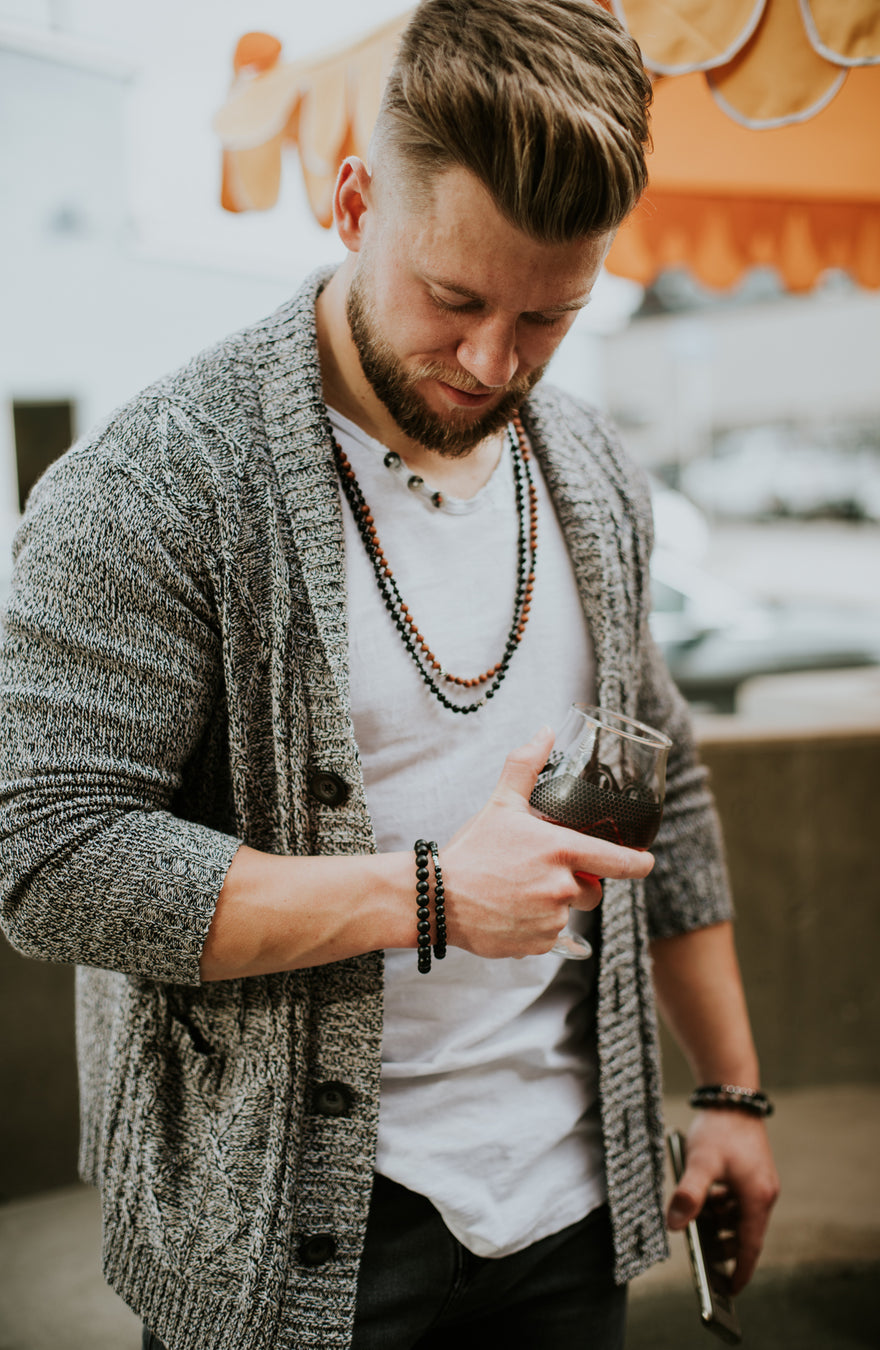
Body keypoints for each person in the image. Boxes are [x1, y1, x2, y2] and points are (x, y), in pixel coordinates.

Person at [0, 2, 779, 1347]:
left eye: (550, 316)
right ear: (355, 199)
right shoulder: (163, 478)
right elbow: (46, 856)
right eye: (455, 299)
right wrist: (426, 895)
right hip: (290, 1241)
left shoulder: (593, 469)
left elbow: (666, 778)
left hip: (575, 1213)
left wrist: (734, 1091)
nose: (492, 363)